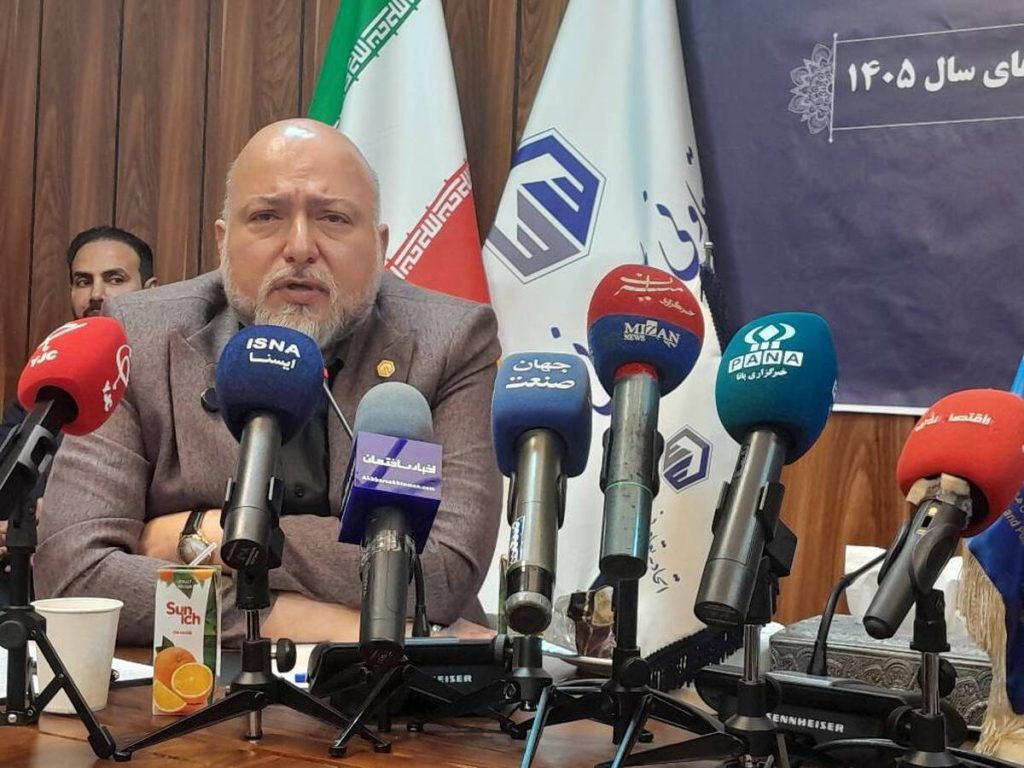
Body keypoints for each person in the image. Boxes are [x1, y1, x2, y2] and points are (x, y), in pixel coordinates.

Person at [34, 119, 503, 646]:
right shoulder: (137, 334)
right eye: (266, 217)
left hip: (395, 688)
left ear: (379, 246)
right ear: (223, 242)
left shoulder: (453, 340)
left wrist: (199, 534)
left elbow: (441, 572)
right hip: (207, 681)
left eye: (333, 218)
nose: (299, 247)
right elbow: (74, 576)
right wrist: (306, 621)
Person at [0, 227, 156, 598]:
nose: (96, 294)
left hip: (126, 577)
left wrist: (64, 518)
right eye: (83, 281)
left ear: (152, 290)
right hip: (24, 579)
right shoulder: (49, 381)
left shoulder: (165, 382)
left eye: (114, 279)